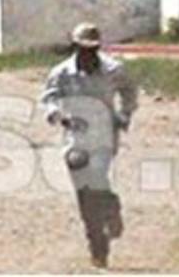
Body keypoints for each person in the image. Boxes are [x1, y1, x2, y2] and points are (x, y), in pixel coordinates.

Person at [41, 22, 138, 269]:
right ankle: (97, 239)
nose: (88, 54)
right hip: (75, 137)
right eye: (83, 49)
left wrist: (124, 114)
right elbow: (49, 97)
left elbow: (129, 90)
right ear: (74, 46)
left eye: (93, 49)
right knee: (83, 191)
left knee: (95, 177)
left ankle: (107, 213)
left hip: (104, 135)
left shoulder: (114, 69)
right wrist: (58, 115)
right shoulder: (61, 72)